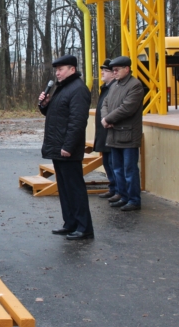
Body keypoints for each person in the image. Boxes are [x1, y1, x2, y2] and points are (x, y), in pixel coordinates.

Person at [38, 55, 93, 240]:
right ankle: (70, 223)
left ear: (72, 69)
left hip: (67, 149)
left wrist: (68, 146)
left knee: (74, 188)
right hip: (58, 147)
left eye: (60, 69)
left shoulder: (78, 89)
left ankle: (84, 227)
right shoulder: (63, 89)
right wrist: (45, 105)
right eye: (56, 70)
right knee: (65, 188)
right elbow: (56, 114)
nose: (57, 73)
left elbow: (77, 122)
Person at [101, 56, 145, 211]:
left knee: (129, 169)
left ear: (127, 69)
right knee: (117, 168)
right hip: (114, 133)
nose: (114, 72)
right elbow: (104, 103)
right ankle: (123, 195)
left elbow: (127, 108)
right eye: (113, 70)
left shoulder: (135, 85)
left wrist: (108, 118)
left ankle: (133, 200)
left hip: (128, 135)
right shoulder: (114, 85)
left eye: (117, 70)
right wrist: (105, 118)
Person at [94, 59, 118, 200]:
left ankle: (118, 190)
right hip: (103, 131)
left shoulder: (114, 88)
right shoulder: (106, 88)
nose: (102, 72)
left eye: (106, 70)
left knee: (113, 163)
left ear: (113, 74)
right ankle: (113, 187)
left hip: (111, 131)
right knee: (107, 162)